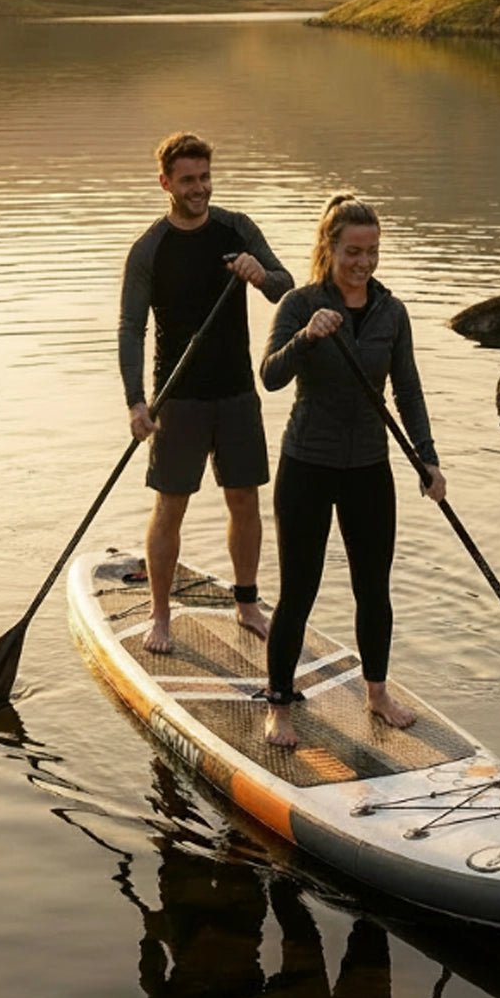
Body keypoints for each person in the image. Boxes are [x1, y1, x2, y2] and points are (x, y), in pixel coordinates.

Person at [259, 194, 445, 749]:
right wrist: (307, 337)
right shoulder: (299, 303)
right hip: (307, 465)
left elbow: (407, 391)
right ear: (329, 248)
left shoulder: (392, 312)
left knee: (374, 589)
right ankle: (279, 705)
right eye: (352, 252)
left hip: (369, 467)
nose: (363, 263)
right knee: (299, 591)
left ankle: (377, 693)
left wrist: (427, 459)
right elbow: (269, 375)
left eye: (372, 251)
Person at [119, 131, 292, 653]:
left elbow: (289, 290)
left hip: (237, 392)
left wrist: (259, 274)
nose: (199, 189)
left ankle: (246, 603)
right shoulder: (150, 248)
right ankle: (160, 616)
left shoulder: (236, 229)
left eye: (205, 178)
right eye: (188, 180)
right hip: (178, 399)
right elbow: (131, 328)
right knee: (171, 506)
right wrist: (136, 401)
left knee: (245, 500)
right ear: (166, 183)